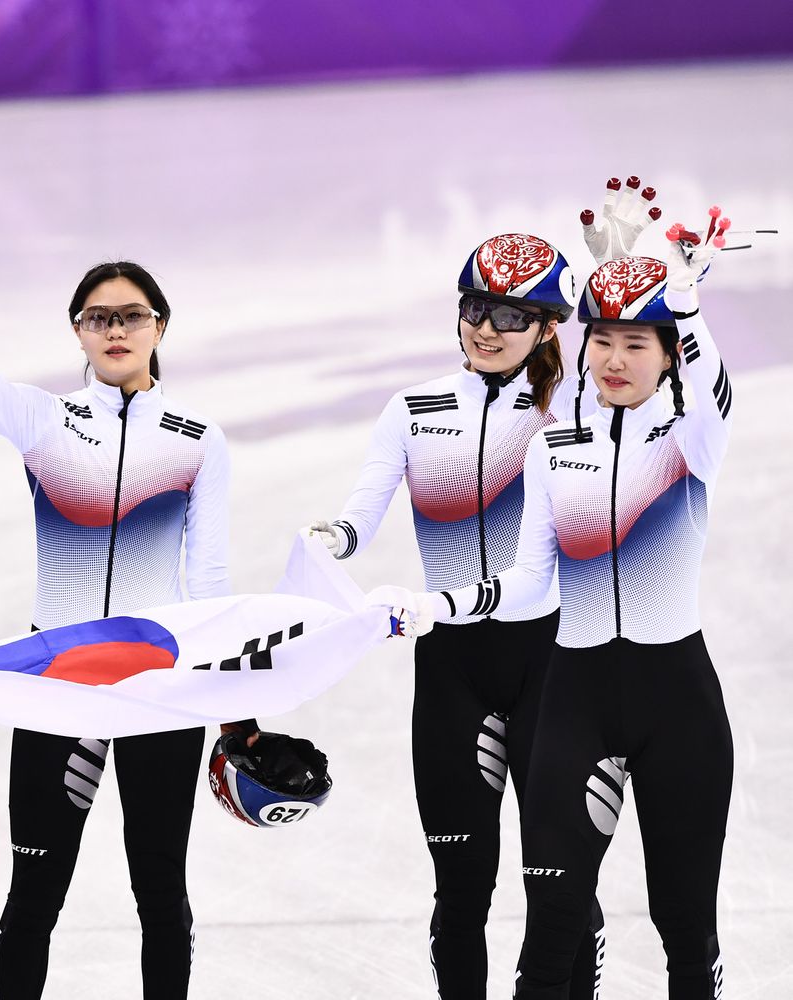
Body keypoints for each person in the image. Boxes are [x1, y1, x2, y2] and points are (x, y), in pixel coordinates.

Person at [0, 202, 229, 999]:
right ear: (78, 332)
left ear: (159, 327)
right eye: (98, 317)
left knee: (160, 894)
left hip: (157, 685)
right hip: (61, 680)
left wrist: (229, 695)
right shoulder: (44, 421)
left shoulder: (196, 438)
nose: (116, 329)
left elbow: (209, 577)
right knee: (34, 893)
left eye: (131, 316)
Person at [403, 210, 736, 998]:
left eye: (638, 344)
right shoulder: (555, 447)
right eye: (604, 340)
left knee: (684, 926)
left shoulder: (692, 441)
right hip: (574, 701)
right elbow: (527, 579)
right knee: (554, 913)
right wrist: (441, 604)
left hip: (676, 701)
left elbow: (714, 386)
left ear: (667, 359)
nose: (616, 358)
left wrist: (684, 305)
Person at [305, 224, 622, 999]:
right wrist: (330, 541)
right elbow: (362, 514)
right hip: (451, 667)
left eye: (512, 315)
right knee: (460, 887)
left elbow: (645, 368)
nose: (487, 327)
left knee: (560, 879)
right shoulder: (412, 408)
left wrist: (625, 280)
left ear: (551, 326)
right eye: (476, 306)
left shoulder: (575, 405)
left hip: (555, 661)